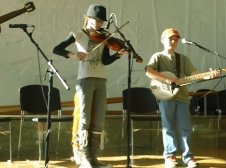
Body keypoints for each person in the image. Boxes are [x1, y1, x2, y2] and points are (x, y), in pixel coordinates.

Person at [53, 4, 127, 168]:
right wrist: (74, 55)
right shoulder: (78, 33)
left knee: (99, 119)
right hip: (85, 79)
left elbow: (105, 60)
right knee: (85, 119)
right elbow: (56, 49)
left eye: (101, 21)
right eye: (96, 19)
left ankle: (93, 157)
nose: (99, 23)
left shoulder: (104, 36)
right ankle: (84, 157)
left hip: (101, 79)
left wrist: (117, 55)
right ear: (88, 18)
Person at [145, 28, 199, 168]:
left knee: (185, 127)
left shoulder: (183, 59)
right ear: (163, 40)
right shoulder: (158, 56)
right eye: (170, 39)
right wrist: (168, 80)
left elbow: (194, 74)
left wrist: (203, 75)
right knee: (168, 127)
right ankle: (170, 157)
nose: (174, 41)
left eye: (176, 39)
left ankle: (188, 158)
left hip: (182, 97)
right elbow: (149, 71)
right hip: (165, 97)